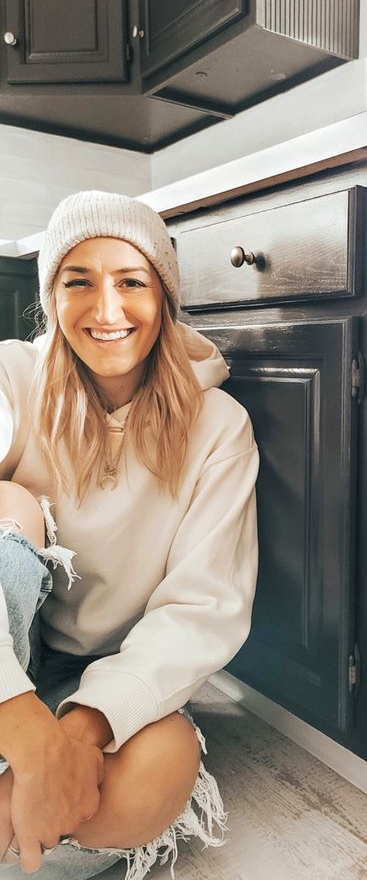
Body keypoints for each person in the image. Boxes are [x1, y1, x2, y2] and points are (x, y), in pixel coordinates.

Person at [0, 191, 259, 880]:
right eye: (78, 281)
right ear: (52, 297)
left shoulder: (219, 427)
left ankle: (22, 810)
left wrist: (80, 733)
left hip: (109, 686)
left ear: (164, 296)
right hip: (6, 666)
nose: (107, 310)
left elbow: (202, 608)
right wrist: (20, 720)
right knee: (9, 504)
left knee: (163, 767)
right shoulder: (13, 378)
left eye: (131, 282)